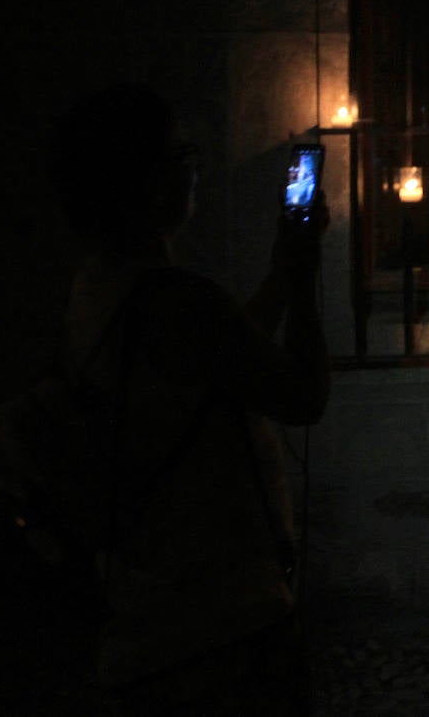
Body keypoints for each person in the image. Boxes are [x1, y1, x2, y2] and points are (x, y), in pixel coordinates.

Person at [43, 85, 330, 713]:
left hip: (148, 609)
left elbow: (219, 365)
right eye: (182, 154)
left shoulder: (98, 289)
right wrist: (306, 283)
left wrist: (279, 276)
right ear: (148, 182)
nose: (193, 168)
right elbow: (302, 396)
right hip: (222, 621)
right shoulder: (180, 300)